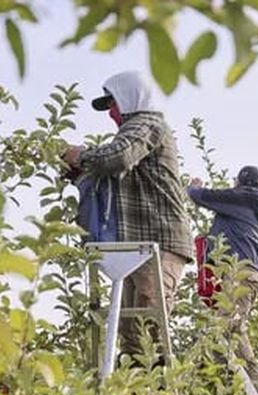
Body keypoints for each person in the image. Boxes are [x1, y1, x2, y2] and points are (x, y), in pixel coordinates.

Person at [62, 71, 193, 362]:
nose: (110, 113)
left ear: (129, 99)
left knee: (149, 327)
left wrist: (80, 155)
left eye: (112, 104)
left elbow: (116, 158)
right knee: (132, 334)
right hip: (139, 243)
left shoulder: (148, 124)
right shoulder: (131, 135)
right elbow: (113, 178)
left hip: (159, 240)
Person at [187, 166, 258, 392]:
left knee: (224, 328)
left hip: (239, 274)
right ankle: (241, 389)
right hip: (241, 275)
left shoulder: (243, 198)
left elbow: (199, 196)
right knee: (229, 331)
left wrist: (195, 185)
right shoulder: (254, 205)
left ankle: (250, 390)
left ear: (241, 182)